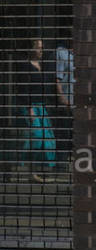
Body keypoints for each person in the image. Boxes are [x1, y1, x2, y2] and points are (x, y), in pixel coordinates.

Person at [21, 38, 56, 183]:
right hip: (31, 107)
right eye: (38, 48)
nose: (41, 50)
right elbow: (23, 89)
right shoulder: (26, 66)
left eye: (42, 48)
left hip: (41, 106)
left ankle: (37, 171)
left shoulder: (41, 65)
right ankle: (30, 172)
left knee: (46, 139)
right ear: (31, 49)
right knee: (35, 137)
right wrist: (30, 109)